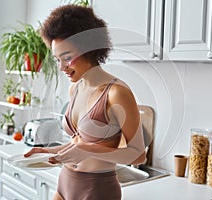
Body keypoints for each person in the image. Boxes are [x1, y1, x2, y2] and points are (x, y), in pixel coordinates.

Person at [24, 4, 146, 200]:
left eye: (67, 58)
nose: (61, 67)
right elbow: (78, 142)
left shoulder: (116, 93)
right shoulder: (76, 88)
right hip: (64, 183)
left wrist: (88, 150)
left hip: (97, 189)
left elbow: (138, 154)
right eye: (57, 60)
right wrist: (49, 151)